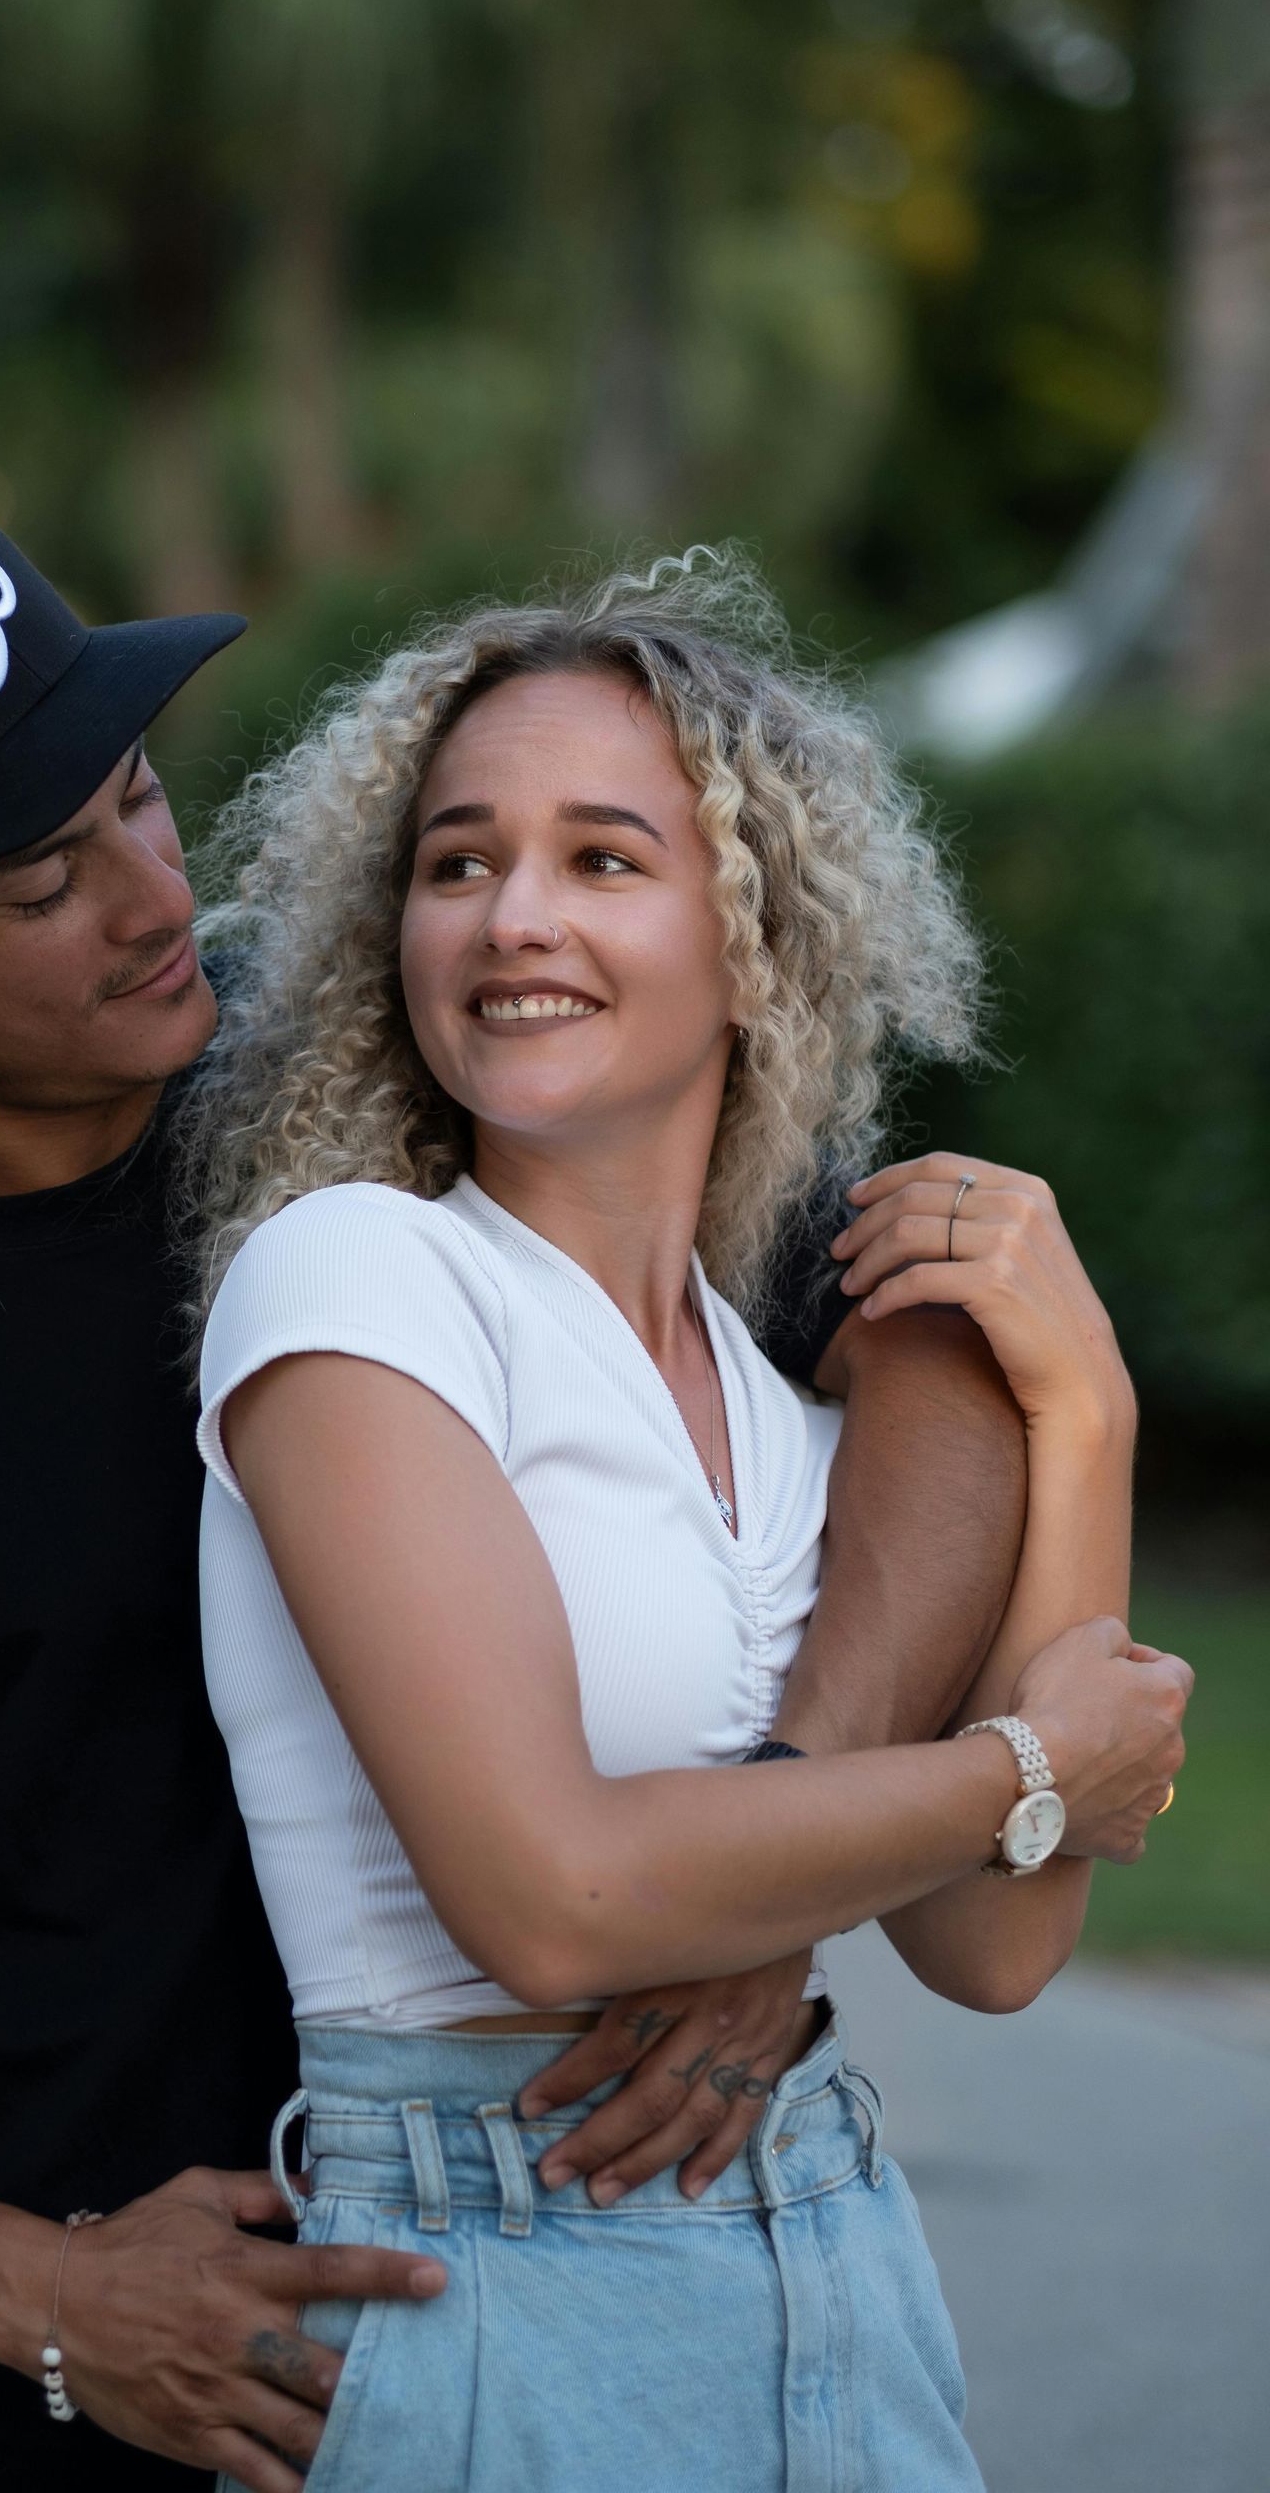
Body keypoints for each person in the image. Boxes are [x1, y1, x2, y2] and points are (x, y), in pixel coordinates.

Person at [0, 494, 1030, 2493]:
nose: (142, 894)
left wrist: (787, 1833)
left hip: (558, 2316)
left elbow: (934, 1341)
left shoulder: (393, 1058)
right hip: (38, 2430)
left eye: (134, 795)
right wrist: (44, 2298)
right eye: (40, 882)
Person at [180, 556, 1190, 2491]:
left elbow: (992, 1947)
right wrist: (1031, 1764)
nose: (514, 918)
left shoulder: (784, 1412)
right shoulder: (357, 1285)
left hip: (843, 2270)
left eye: (605, 861)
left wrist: (1090, 1412)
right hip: (487, 2283)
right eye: (459, 862)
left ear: (757, 938)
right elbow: (551, 1891)